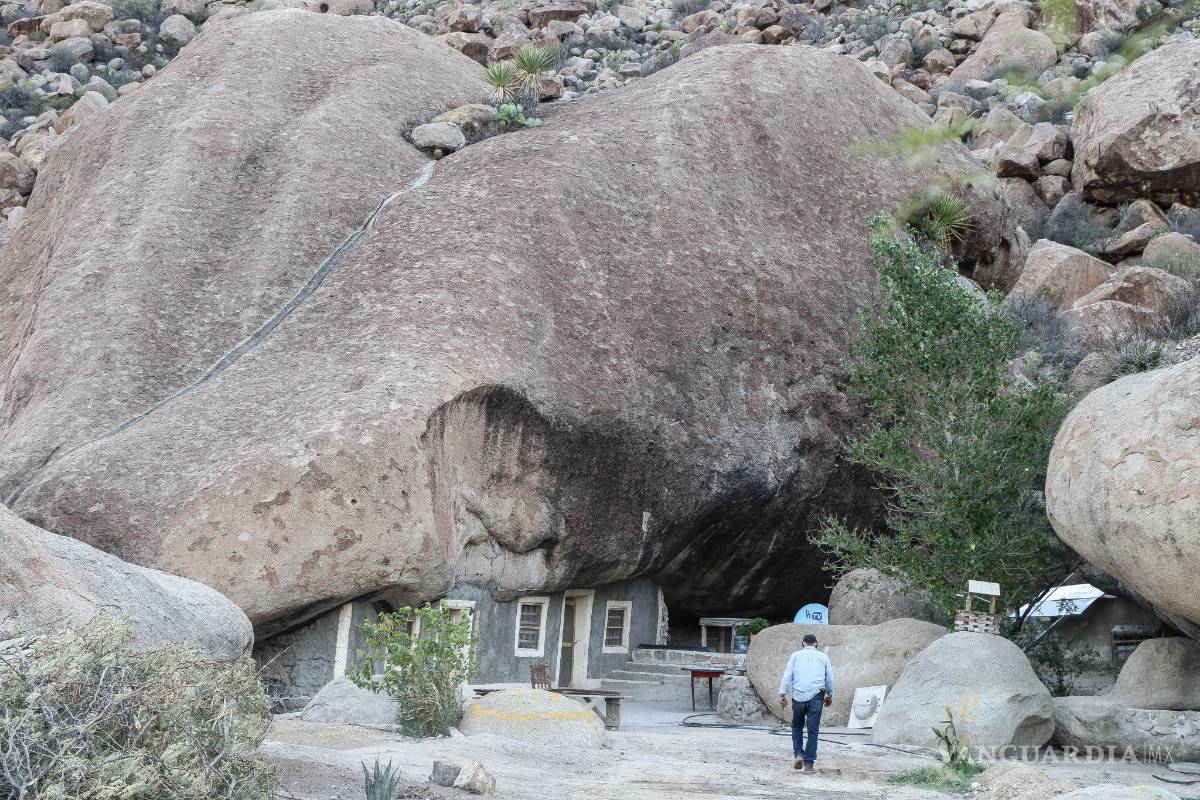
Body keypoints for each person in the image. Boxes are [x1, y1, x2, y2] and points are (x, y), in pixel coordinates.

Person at [777, 633, 834, 773]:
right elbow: (829, 678)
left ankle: (798, 754)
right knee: (813, 731)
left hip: (798, 697)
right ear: (816, 644)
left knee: (796, 726)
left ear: (802, 644)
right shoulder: (823, 657)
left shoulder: (795, 655)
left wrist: (782, 693)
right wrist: (830, 694)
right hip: (816, 697)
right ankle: (808, 764)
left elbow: (787, 675)